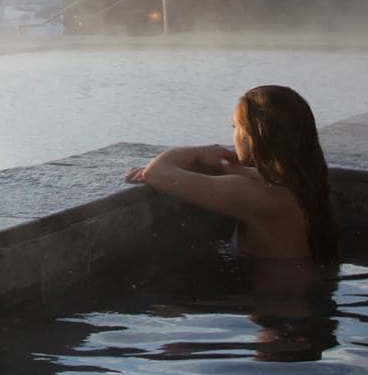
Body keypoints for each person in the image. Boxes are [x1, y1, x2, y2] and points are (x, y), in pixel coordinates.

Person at [124, 84, 340, 263]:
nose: (233, 135)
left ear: (252, 136)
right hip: (299, 298)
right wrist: (226, 168)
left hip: (273, 308)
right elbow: (257, 178)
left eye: (234, 126)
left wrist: (203, 152)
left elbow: (157, 173)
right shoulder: (305, 184)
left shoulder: (257, 196)